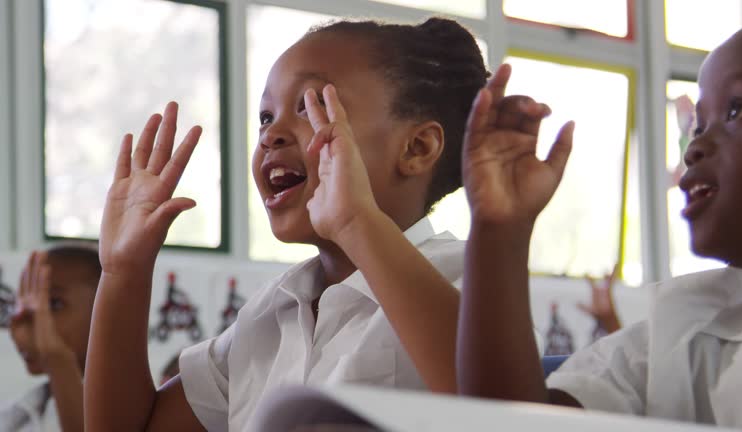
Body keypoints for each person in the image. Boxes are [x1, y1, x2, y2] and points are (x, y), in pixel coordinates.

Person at [84, 18, 549, 432]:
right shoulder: (271, 312)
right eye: (266, 116)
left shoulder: (467, 285)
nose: (271, 134)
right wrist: (122, 274)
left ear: (417, 148)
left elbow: (499, 410)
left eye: (310, 106)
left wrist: (357, 222)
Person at [457, 15, 742, 429]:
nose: (695, 148)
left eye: (738, 110)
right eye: (698, 127)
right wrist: (499, 229)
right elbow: (512, 421)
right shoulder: (683, 330)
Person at [1, 246, 101, 432]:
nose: (36, 319)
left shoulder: (133, 405)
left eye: (53, 304)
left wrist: (56, 356)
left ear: (105, 312)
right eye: (23, 307)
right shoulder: (19, 414)